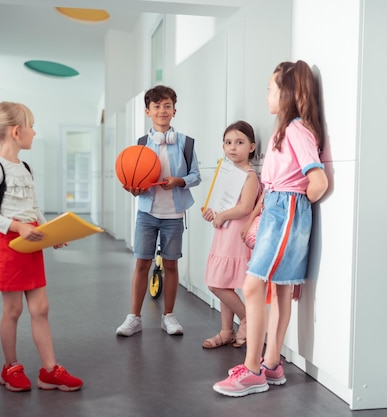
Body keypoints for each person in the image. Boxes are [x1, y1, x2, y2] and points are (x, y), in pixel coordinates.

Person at [213, 60, 328, 397]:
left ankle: (251, 371)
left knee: (252, 287)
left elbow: (317, 180)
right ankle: (272, 365)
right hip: (280, 209)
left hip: (286, 210)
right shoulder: (288, 129)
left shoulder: (294, 129)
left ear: (288, 92)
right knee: (277, 291)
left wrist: (292, 203)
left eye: (271, 89)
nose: (267, 95)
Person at [0, 101, 83, 393]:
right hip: (9, 245)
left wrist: (49, 232)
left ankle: (49, 371)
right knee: (12, 311)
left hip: (31, 243)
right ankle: (10, 367)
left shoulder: (25, 166)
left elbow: (33, 208)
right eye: (32, 127)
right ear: (16, 131)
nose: (35, 133)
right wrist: (18, 226)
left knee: (41, 308)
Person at [116, 85, 201, 337]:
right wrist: (134, 189)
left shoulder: (185, 143)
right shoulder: (141, 144)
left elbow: (195, 175)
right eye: (156, 106)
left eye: (167, 106)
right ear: (147, 111)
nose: (162, 110)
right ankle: (134, 317)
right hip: (147, 213)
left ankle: (169, 316)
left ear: (174, 111)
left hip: (174, 214)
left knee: (171, 265)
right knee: (142, 263)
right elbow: (134, 178)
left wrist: (180, 181)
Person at [201, 121, 262, 349]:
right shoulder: (228, 173)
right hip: (223, 233)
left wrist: (223, 215)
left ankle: (247, 318)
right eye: (228, 143)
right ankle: (226, 332)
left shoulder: (249, 176)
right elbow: (222, 205)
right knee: (223, 284)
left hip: (236, 236)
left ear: (252, 147)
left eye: (239, 142)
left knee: (217, 284)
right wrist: (213, 213)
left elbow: (246, 207)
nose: (233, 147)